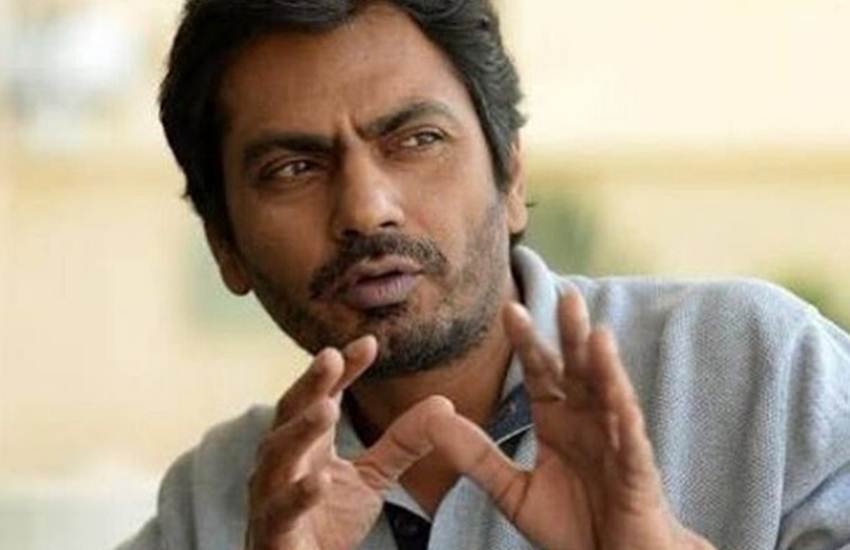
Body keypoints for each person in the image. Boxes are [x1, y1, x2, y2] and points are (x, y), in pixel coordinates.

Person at [120, 1, 850, 549]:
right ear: (225, 246)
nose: (367, 209)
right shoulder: (214, 505)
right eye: (294, 168)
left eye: (418, 139)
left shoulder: (764, 370)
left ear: (512, 174)